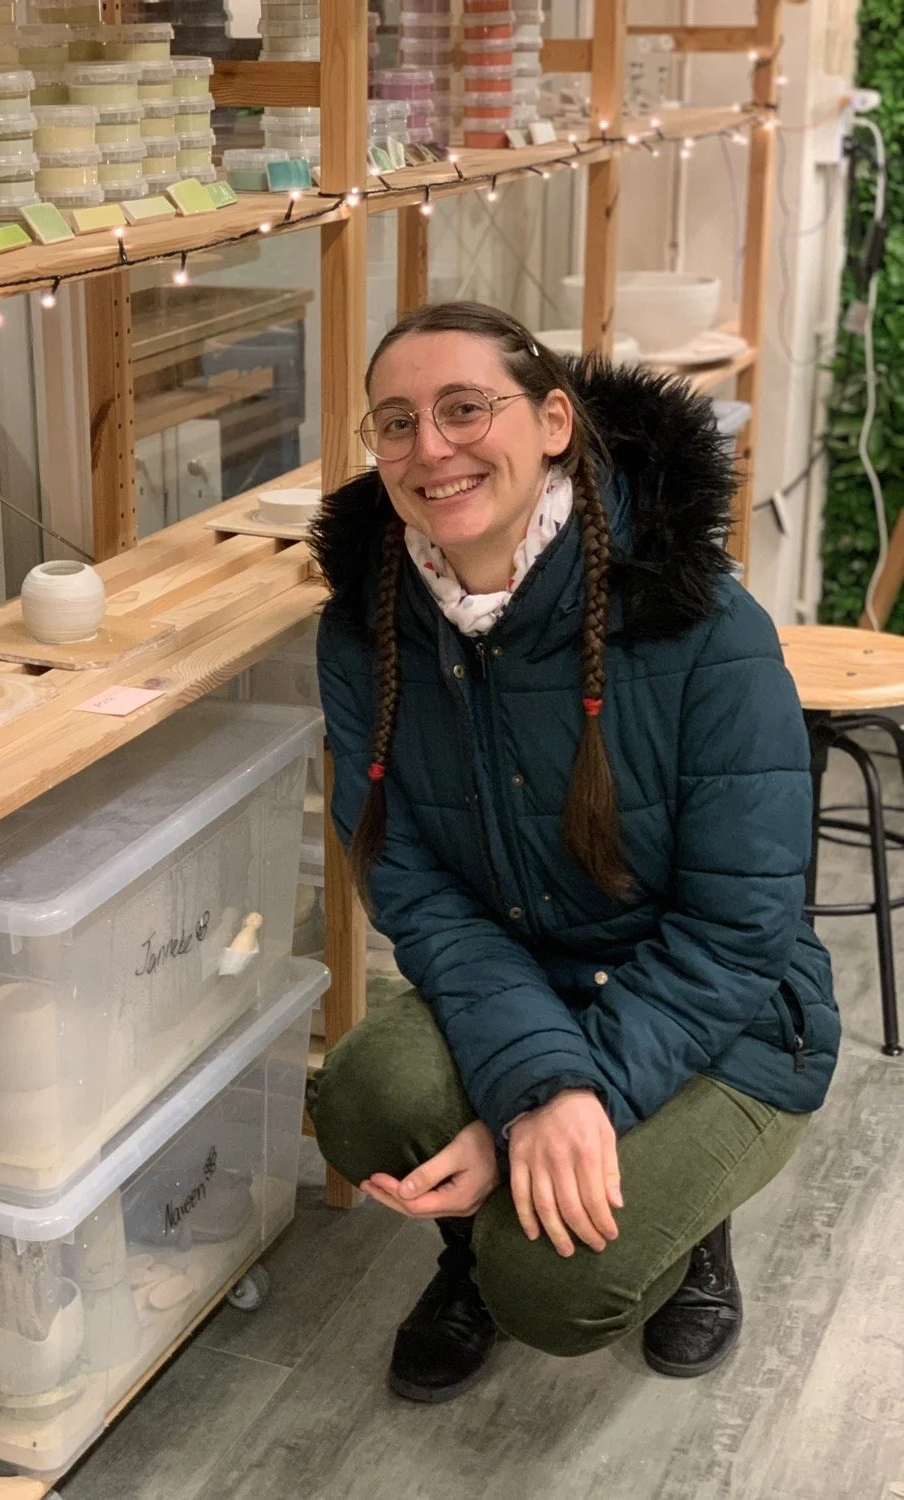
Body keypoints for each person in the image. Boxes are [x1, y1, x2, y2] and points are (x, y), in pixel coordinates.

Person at [305, 301, 839, 1405]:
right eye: (394, 423)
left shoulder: (698, 621)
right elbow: (411, 879)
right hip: (528, 968)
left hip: (727, 1014)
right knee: (357, 1100)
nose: (430, 449)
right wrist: (535, 1086)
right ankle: (473, 1259)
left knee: (557, 1288)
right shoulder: (368, 628)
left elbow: (743, 925)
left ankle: (691, 1228)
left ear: (553, 420)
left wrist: (547, 1106)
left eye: (465, 409)